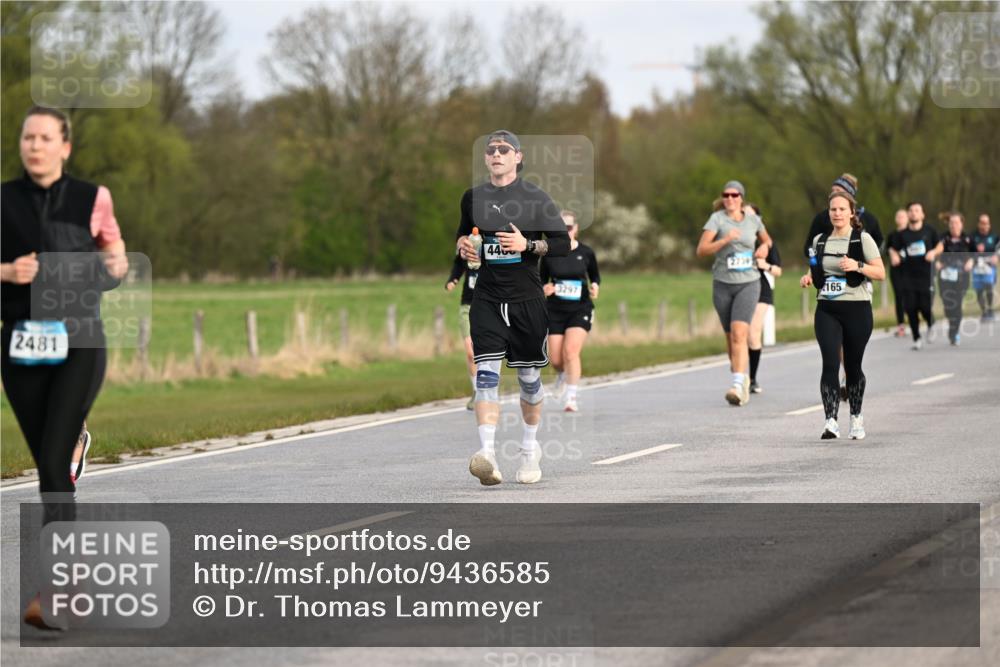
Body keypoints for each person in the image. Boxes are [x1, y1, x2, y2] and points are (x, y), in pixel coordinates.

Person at [1, 106, 128, 629]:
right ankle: (71, 441)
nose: (35, 146)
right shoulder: (2, 200)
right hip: (22, 342)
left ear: (64, 146)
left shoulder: (91, 198)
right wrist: (8, 271)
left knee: (53, 468)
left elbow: (117, 260)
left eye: (45, 138)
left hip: (80, 340)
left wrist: (100, 269)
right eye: (28, 137)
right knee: (49, 469)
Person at [455, 130, 569, 485]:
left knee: (529, 380)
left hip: (527, 301)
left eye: (504, 149)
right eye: (490, 150)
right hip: (487, 298)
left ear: (518, 157)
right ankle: (487, 454)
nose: (496, 154)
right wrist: (464, 247)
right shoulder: (473, 197)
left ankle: (529, 450)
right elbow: (463, 236)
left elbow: (562, 244)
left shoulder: (535, 197)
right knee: (486, 375)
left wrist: (528, 244)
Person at [800, 190, 885, 440]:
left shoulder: (862, 239)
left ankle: (856, 418)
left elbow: (880, 273)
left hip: (857, 309)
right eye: (833, 209)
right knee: (829, 363)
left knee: (852, 365)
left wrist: (857, 266)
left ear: (851, 212)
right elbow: (816, 270)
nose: (836, 213)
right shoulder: (820, 241)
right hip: (827, 308)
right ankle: (830, 421)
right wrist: (808, 277)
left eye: (841, 209)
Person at [696, 181, 773, 406]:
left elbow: (767, 239)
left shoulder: (753, 220)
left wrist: (764, 247)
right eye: (726, 195)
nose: (730, 198)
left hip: (749, 283)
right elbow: (701, 250)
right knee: (731, 340)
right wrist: (725, 240)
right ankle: (740, 374)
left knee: (741, 334)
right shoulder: (717, 220)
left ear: (741, 198)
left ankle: (738, 386)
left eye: (734, 195)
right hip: (722, 284)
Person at [540, 210, 601, 412]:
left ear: (575, 229)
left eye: (568, 227)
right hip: (555, 309)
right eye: (561, 228)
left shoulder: (586, 252)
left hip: (580, 308)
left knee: (571, 352)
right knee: (556, 358)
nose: (565, 231)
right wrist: (545, 289)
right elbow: (541, 281)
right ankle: (562, 375)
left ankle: (571, 398)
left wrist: (595, 287)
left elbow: (595, 276)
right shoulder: (549, 254)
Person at [889, 201, 943, 349]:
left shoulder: (929, 231)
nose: (913, 213)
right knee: (910, 308)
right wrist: (894, 256)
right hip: (908, 276)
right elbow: (893, 249)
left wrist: (933, 252)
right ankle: (916, 338)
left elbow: (940, 245)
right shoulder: (902, 235)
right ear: (908, 214)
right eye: (911, 210)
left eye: (917, 210)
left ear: (922, 214)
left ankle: (931, 324)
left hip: (926, 275)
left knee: (925, 307)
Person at [744, 204, 782, 394]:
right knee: (740, 334)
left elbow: (778, 270)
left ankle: (752, 378)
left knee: (753, 332)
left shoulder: (767, 242)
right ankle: (741, 377)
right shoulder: (738, 238)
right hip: (741, 288)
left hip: (761, 290)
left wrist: (764, 265)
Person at [801, 173, 883, 259]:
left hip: (859, 269)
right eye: (833, 190)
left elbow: (880, 242)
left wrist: (867, 257)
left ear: (849, 195)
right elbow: (808, 247)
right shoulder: (821, 218)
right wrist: (819, 256)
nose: (834, 193)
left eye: (838, 190)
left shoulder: (868, 219)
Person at [445, 253, 478, 409]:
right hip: (467, 306)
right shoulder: (469, 247)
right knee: (471, 353)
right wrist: (453, 280)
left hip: (488, 306)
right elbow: (458, 265)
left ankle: (488, 389)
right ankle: (477, 391)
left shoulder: (493, 247)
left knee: (486, 353)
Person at [937, 213, 975, 346]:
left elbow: (975, 254)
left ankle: (954, 332)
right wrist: (937, 262)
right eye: (951, 223)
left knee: (957, 304)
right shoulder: (942, 238)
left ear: (962, 224)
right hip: (945, 276)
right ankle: (952, 325)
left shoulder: (968, 239)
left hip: (961, 276)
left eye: (956, 222)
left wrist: (971, 261)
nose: (954, 225)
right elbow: (935, 251)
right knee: (948, 305)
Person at [885, 209, 910, 337]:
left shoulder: (911, 234)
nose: (900, 218)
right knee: (899, 297)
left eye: (903, 216)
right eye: (898, 216)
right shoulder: (892, 235)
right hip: (896, 271)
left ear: (907, 218)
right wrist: (891, 253)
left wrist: (899, 255)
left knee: (910, 297)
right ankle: (901, 326)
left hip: (910, 270)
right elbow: (887, 248)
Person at [971, 213, 998, 321]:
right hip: (977, 266)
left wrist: (996, 257)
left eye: (986, 223)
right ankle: (984, 311)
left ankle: (990, 309)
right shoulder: (972, 236)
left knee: (988, 285)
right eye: (982, 223)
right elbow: (968, 249)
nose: (984, 225)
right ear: (978, 224)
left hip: (989, 266)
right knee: (979, 290)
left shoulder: (994, 236)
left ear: (989, 224)